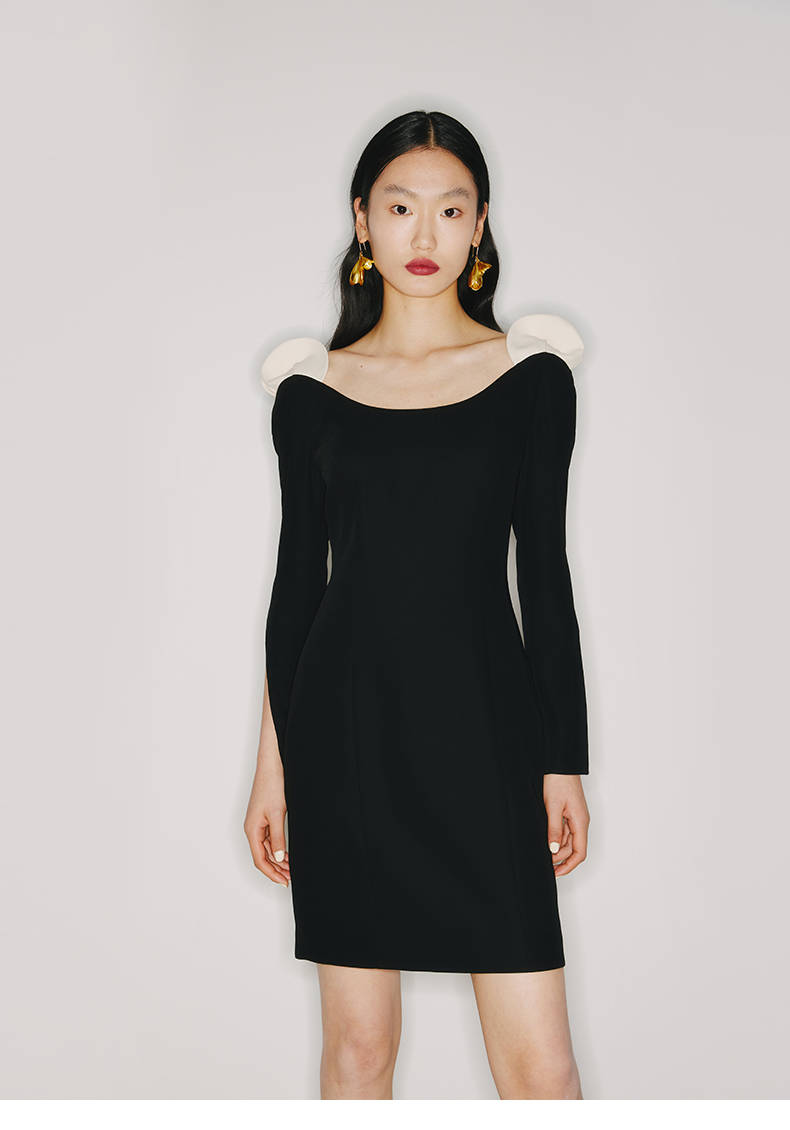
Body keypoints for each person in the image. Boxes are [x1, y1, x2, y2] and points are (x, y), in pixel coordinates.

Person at [244, 109, 591, 1100]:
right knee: (358, 1053)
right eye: (401, 208)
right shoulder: (311, 393)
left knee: (539, 1067)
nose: (425, 234)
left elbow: (546, 576)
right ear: (363, 219)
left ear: (480, 225)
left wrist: (563, 756)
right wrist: (272, 767)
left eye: (450, 208)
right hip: (347, 736)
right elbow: (297, 590)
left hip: (485, 735)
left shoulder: (530, 380)